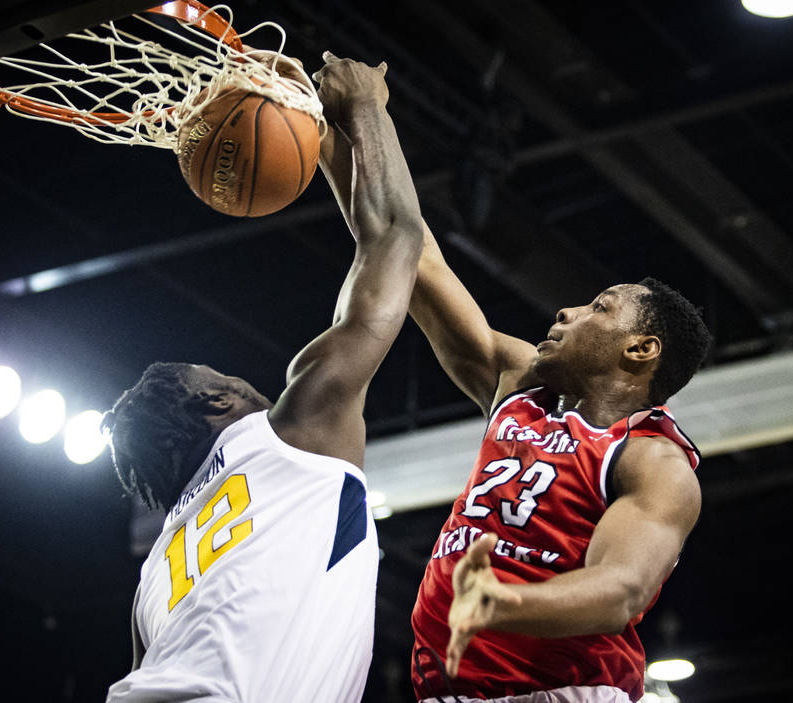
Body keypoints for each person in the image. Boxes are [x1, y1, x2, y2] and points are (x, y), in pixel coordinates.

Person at [319, 96, 712, 702]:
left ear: (640, 351)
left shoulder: (652, 460)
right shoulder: (519, 386)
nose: (567, 311)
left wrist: (504, 602)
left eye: (599, 307)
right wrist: (335, 130)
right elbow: (411, 254)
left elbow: (621, 590)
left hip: (571, 692)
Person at [101, 53, 422, 703]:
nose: (250, 384)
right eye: (227, 374)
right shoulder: (287, 436)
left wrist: (324, 137)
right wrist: (364, 105)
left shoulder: (154, 579)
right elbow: (394, 235)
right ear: (218, 400)